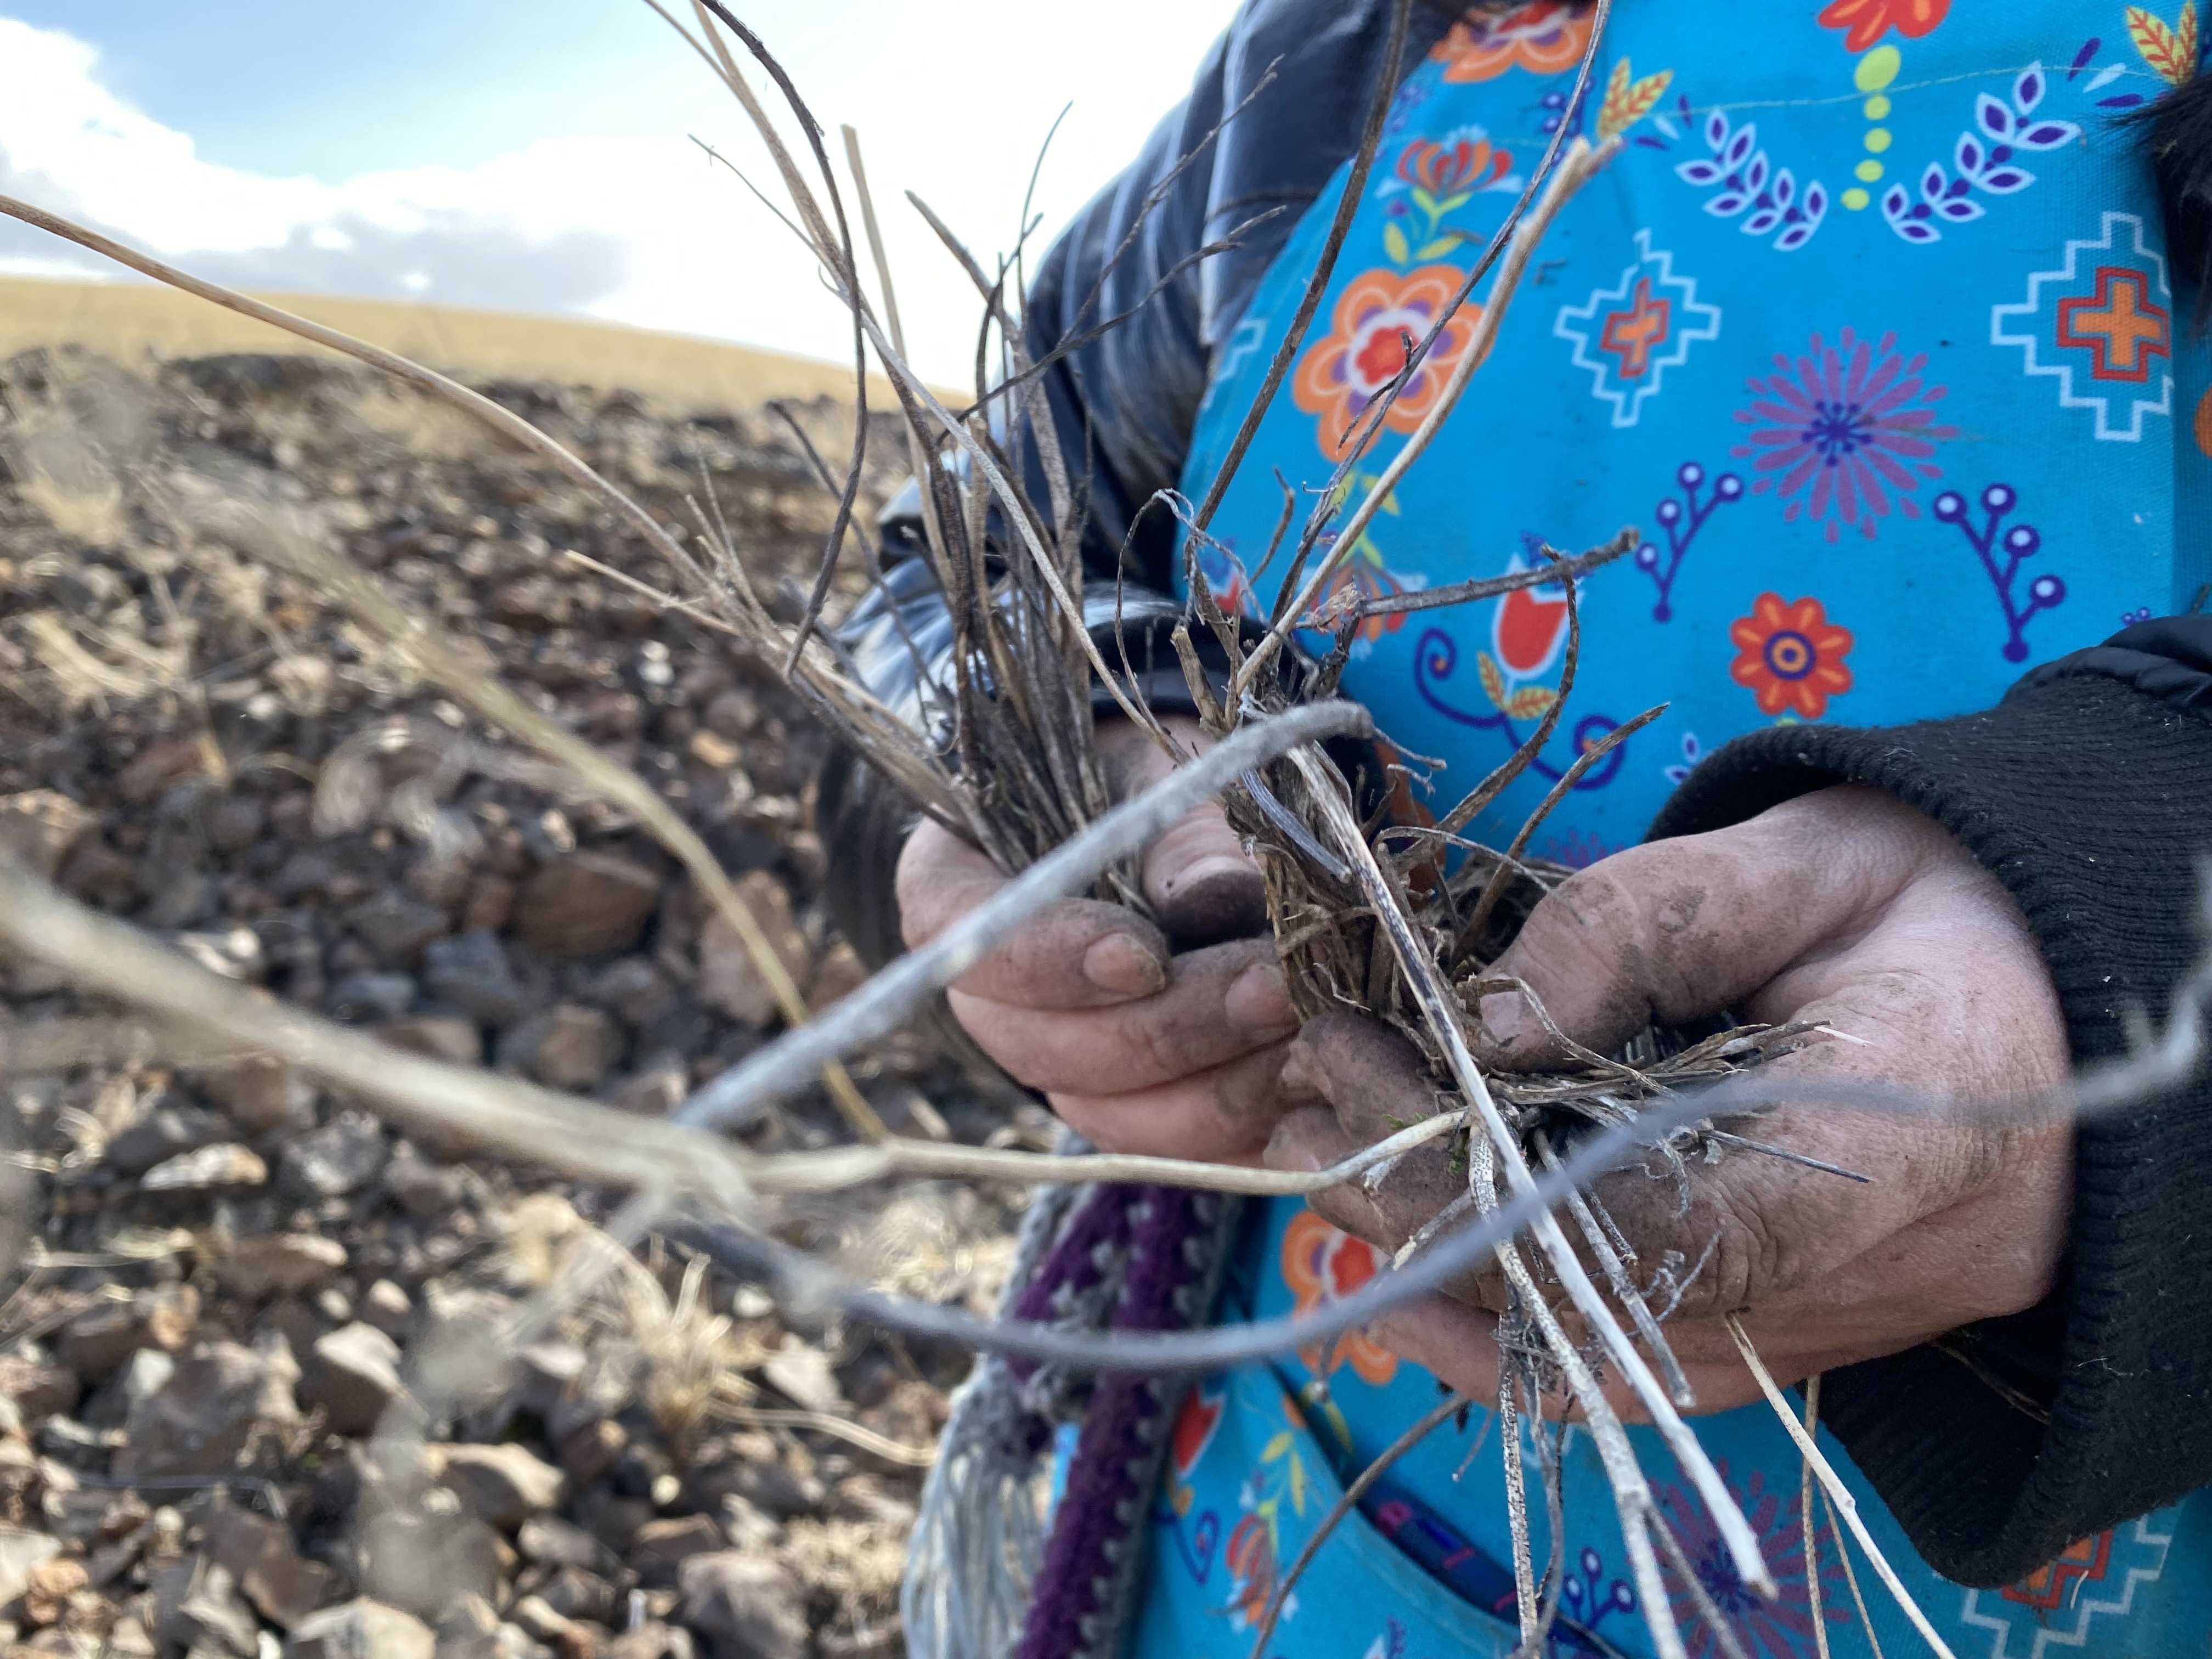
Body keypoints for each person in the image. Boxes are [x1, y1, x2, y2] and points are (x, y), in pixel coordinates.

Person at [823, 3, 2212, 1654]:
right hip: (1240, 1535)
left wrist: (2127, 981)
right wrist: (1076, 763)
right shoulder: (1339, 61)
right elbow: (955, 575)